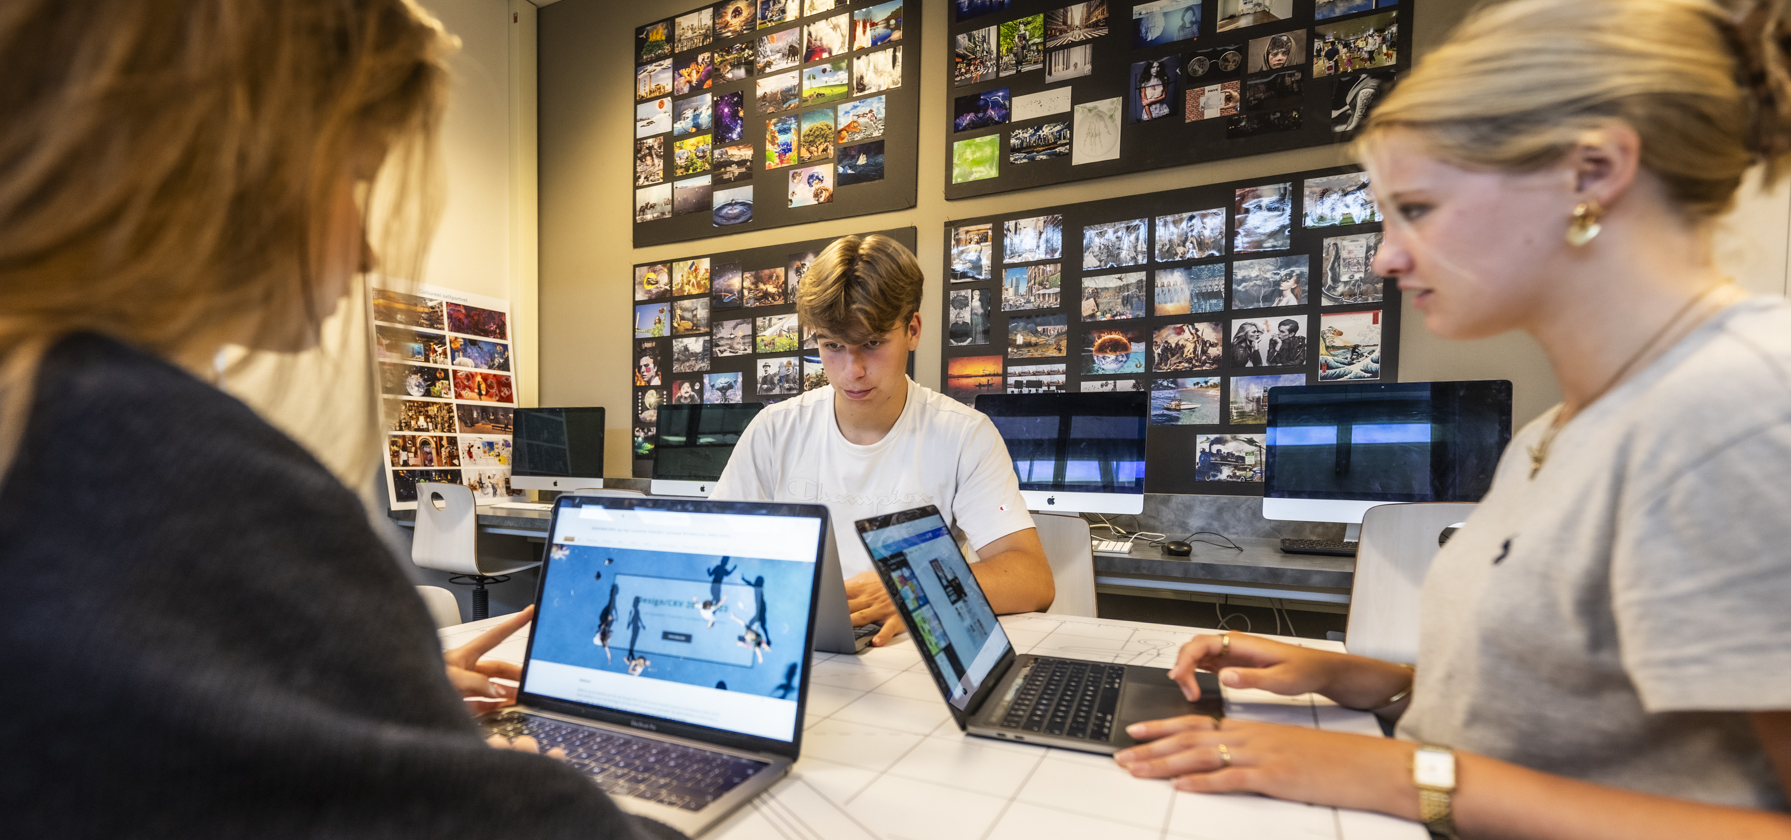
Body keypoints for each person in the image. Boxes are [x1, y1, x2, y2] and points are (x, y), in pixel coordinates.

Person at [0, 2, 677, 838]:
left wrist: (347, 696)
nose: (369, 245)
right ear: (218, 161)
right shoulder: (130, 460)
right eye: (354, 177)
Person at [1114, 1, 1791, 837]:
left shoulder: (1742, 410)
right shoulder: (1557, 433)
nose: (1390, 255)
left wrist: (1412, 777)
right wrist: (1364, 679)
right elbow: (1570, 716)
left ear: (1592, 171)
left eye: (1419, 209)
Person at [711, 234, 1054, 647]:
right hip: (794, 645)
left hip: (911, 656)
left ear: (912, 329)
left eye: (872, 343)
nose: (851, 370)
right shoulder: (774, 430)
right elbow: (715, 555)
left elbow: (1031, 579)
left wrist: (914, 589)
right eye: (832, 346)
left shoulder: (963, 435)